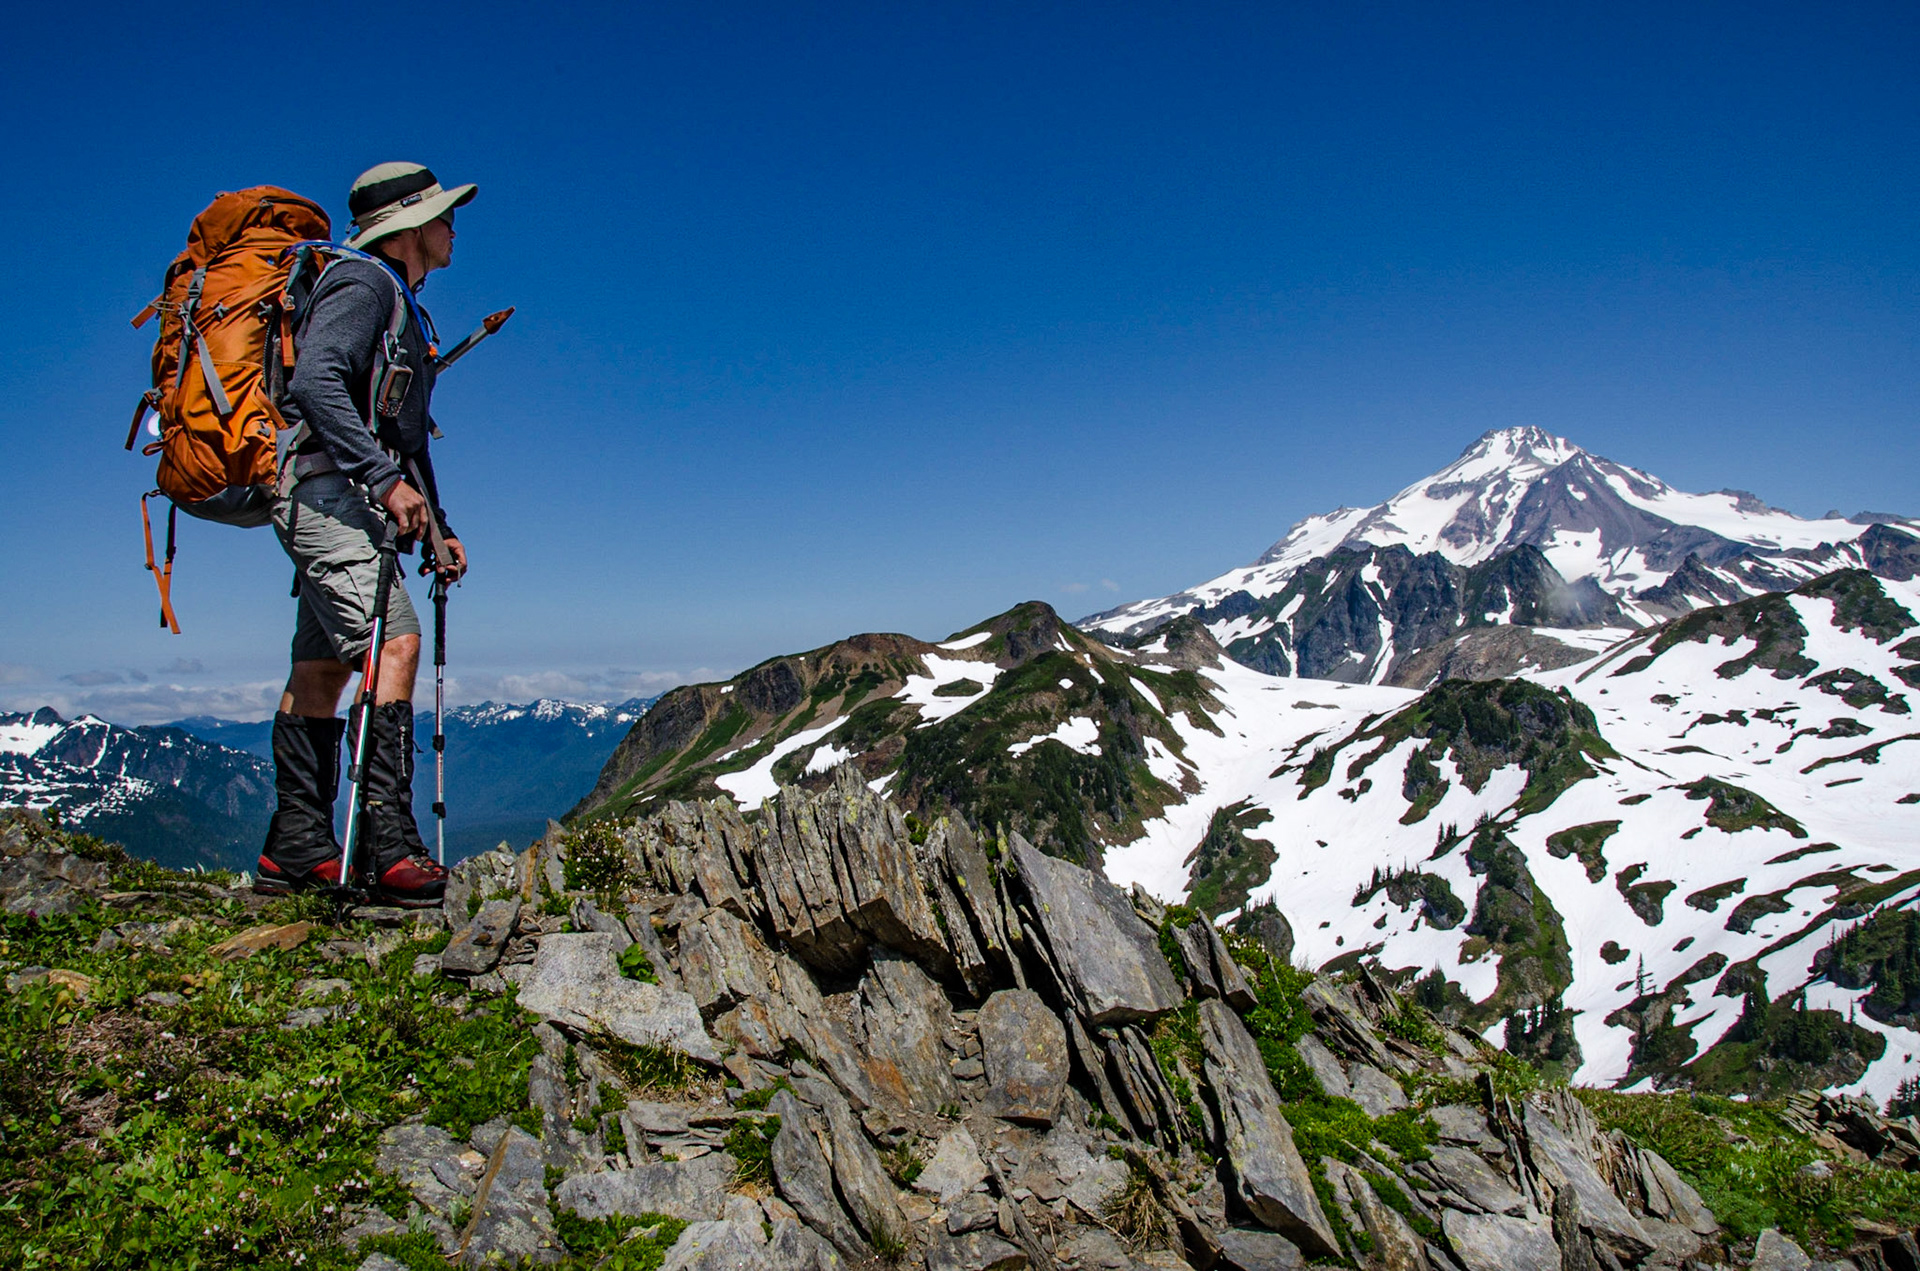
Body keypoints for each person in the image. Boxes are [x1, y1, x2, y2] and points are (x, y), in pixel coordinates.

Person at [253, 162, 475, 905]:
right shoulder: (365, 286)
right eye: (443, 215)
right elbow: (316, 381)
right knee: (396, 644)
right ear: (408, 226)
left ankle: (297, 846)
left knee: (321, 669)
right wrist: (384, 482)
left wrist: (435, 526)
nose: (453, 226)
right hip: (329, 497)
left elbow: (402, 430)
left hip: (330, 497)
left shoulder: (391, 298)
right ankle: (384, 845)